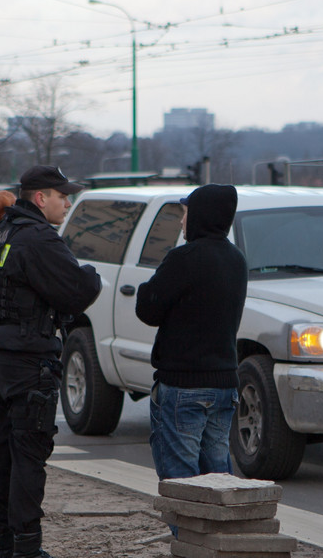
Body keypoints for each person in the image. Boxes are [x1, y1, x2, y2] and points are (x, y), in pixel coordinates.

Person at [0, 165, 101, 558]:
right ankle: (26, 548)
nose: (68, 202)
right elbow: (79, 291)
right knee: (28, 456)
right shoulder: (41, 238)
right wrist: (92, 273)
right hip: (29, 360)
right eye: (63, 196)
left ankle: (1, 543)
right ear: (40, 198)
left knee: (1, 457)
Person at [135, 185, 248, 488]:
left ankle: (189, 536)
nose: (182, 221)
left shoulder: (183, 258)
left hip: (184, 384)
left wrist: (147, 287)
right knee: (219, 477)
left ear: (200, 216)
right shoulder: (236, 259)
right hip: (224, 383)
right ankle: (224, 534)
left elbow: (148, 309)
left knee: (181, 479)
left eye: (185, 213)